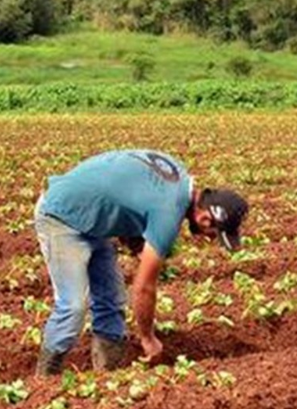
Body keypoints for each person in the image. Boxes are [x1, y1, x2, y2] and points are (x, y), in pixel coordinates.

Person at [33, 150, 248, 375]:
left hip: (93, 218)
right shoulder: (169, 212)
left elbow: (128, 195)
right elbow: (143, 288)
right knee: (73, 306)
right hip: (61, 216)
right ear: (205, 218)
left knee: (111, 301)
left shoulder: (177, 175)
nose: (210, 238)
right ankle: (46, 379)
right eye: (214, 233)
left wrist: (136, 245)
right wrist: (148, 338)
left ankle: (108, 375)